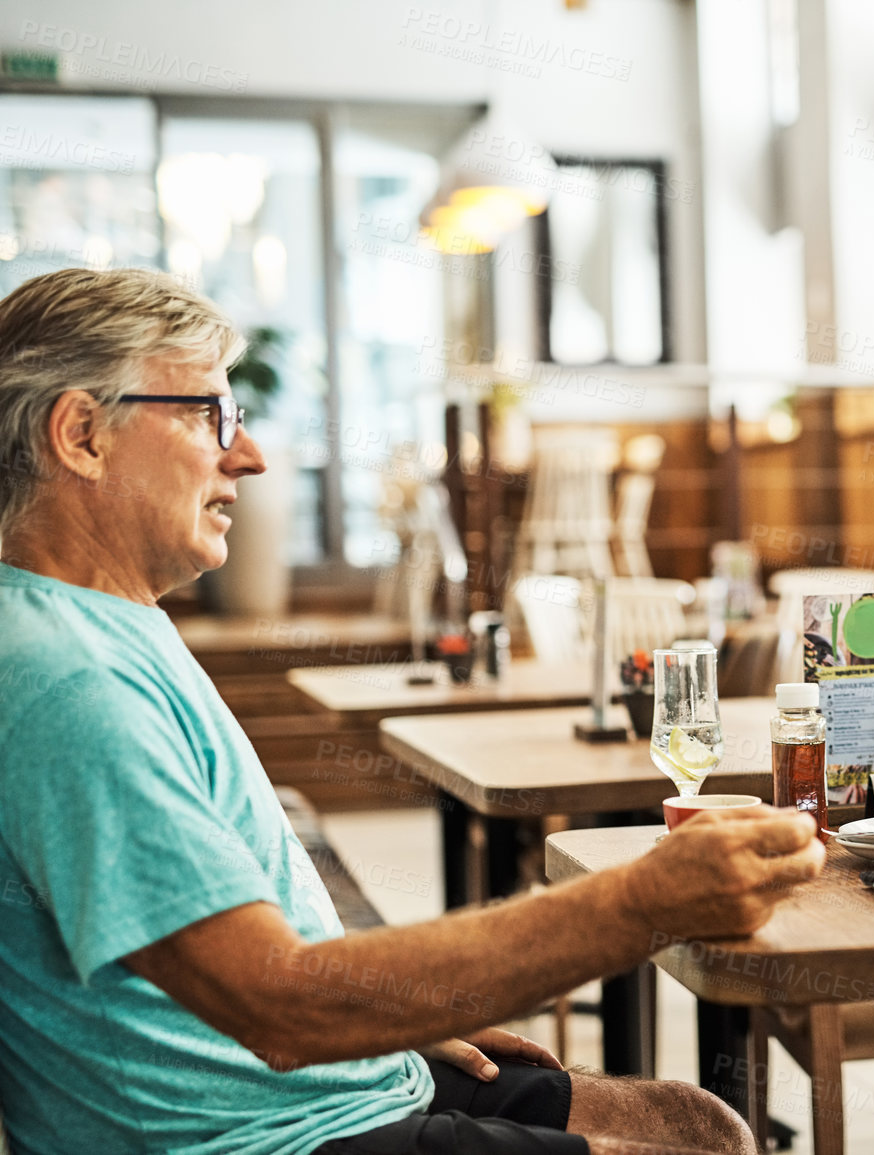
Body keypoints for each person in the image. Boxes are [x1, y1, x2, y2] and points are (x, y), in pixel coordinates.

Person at [0, 266, 825, 1155]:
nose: (250, 454)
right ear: (81, 433)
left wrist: (385, 1023)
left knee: (700, 1123)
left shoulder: (107, 621)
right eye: (213, 415)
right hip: (255, 1136)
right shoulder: (66, 679)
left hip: (312, 1085)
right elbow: (277, 1003)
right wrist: (637, 902)